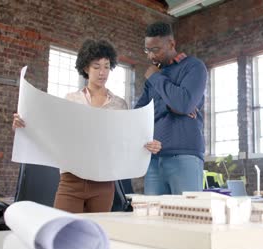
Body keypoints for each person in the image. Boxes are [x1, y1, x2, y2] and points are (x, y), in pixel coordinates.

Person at [12, 39, 162, 213]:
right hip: (71, 180)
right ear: (85, 68)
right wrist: (25, 126)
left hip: (104, 183)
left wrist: (147, 145)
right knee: (63, 231)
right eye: (96, 67)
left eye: (106, 66)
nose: (102, 72)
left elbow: (126, 142)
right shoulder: (71, 99)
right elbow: (53, 132)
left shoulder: (119, 104)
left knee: (97, 235)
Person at [135, 21, 207, 195]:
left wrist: (157, 78)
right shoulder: (153, 78)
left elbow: (183, 104)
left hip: (185, 155)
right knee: (153, 220)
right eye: (147, 50)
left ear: (171, 44)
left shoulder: (194, 67)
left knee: (188, 217)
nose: (150, 56)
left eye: (155, 50)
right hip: (154, 160)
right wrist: (171, 105)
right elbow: (139, 115)